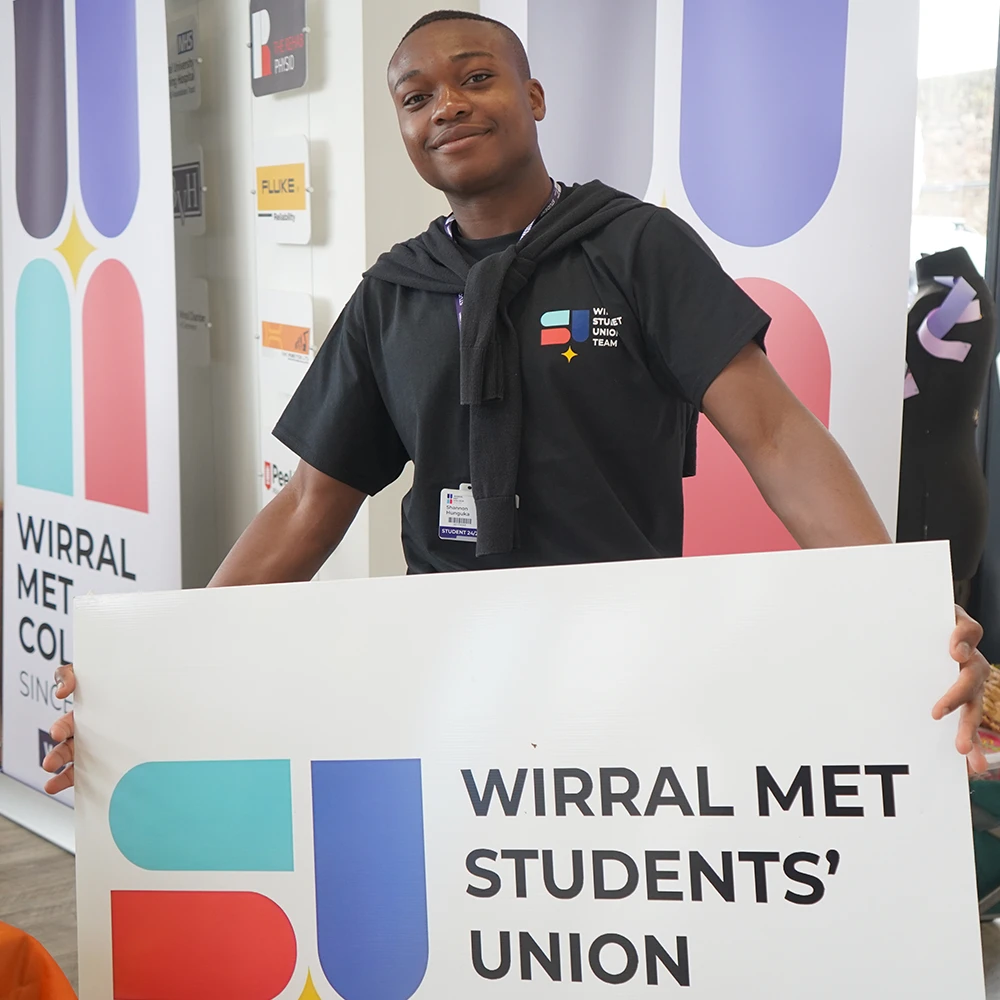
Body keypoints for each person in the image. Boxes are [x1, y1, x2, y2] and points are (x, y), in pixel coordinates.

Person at [43, 10, 990, 794]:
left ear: (533, 97)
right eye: (416, 99)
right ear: (404, 131)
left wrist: (903, 615)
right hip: (447, 676)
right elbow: (306, 506)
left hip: (632, 670)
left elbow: (779, 438)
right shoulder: (393, 294)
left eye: (474, 79)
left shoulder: (638, 247)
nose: (445, 106)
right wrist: (166, 667)